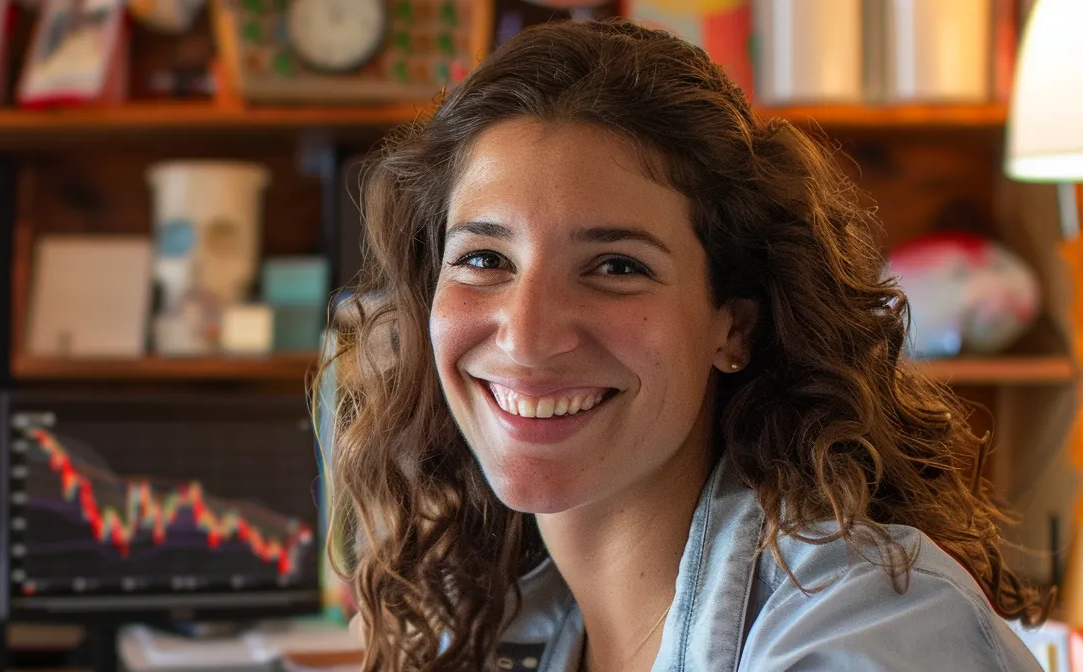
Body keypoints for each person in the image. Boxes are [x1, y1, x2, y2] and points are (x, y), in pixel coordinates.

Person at [322, 19, 1049, 672]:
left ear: (733, 324)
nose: (528, 334)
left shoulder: (866, 628)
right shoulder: (506, 619)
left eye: (616, 268)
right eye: (485, 259)